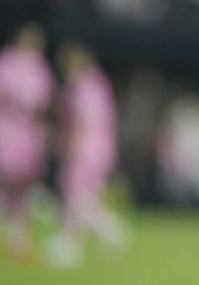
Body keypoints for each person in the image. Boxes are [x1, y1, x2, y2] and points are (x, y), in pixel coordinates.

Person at [46, 42, 126, 268]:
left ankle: (111, 230)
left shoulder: (83, 87)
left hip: (85, 147)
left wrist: (71, 146)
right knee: (82, 198)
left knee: (78, 197)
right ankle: (69, 245)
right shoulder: (101, 84)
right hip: (103, 147)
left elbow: (82, 121)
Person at [0, 22, 55, 259]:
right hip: (7, 128)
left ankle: (18, 238)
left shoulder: (39, 68)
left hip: (27, 133)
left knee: (22, 187)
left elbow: (44, 103)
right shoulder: (8, 62)